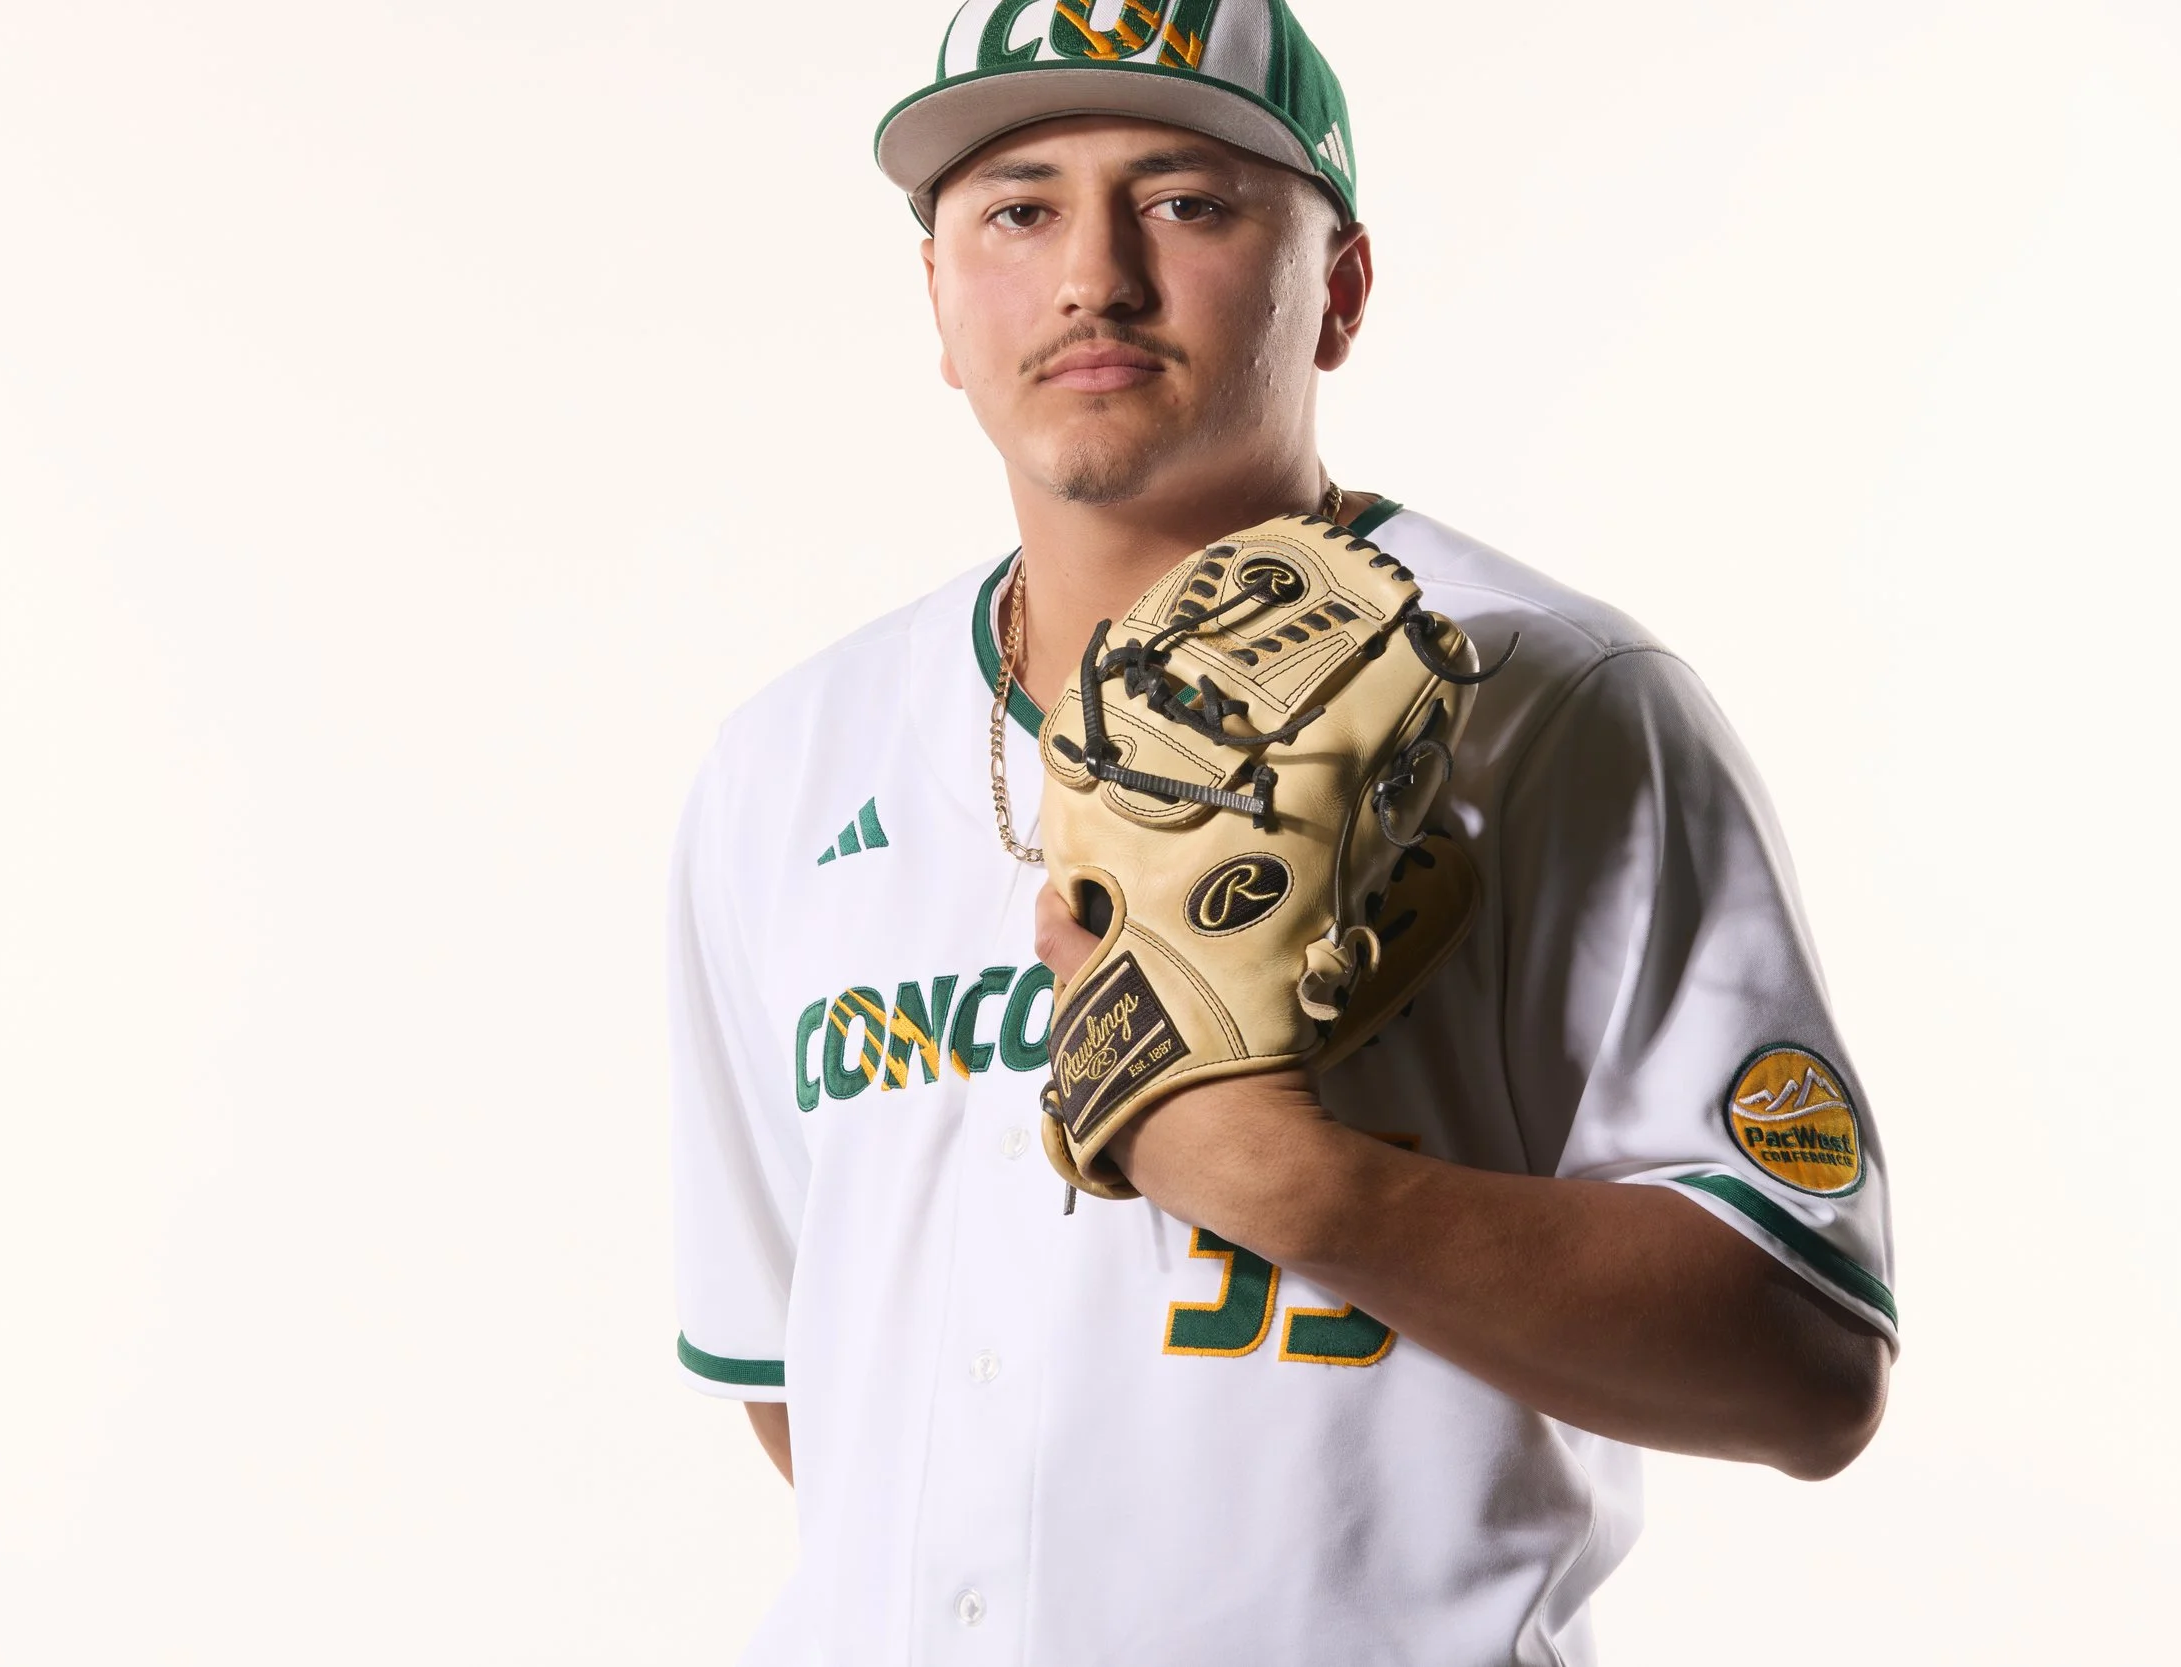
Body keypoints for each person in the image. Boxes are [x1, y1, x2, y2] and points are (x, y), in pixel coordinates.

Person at [667, 3, 1895, 1660]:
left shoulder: (1559, 703)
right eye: (1018, 209)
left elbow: (1810, 1359)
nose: (1094, 277)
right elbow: (809, 1394)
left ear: (1343, 289)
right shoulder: (788, 762)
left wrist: (1315, 1192)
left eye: (1186, 201)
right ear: (939, 301)